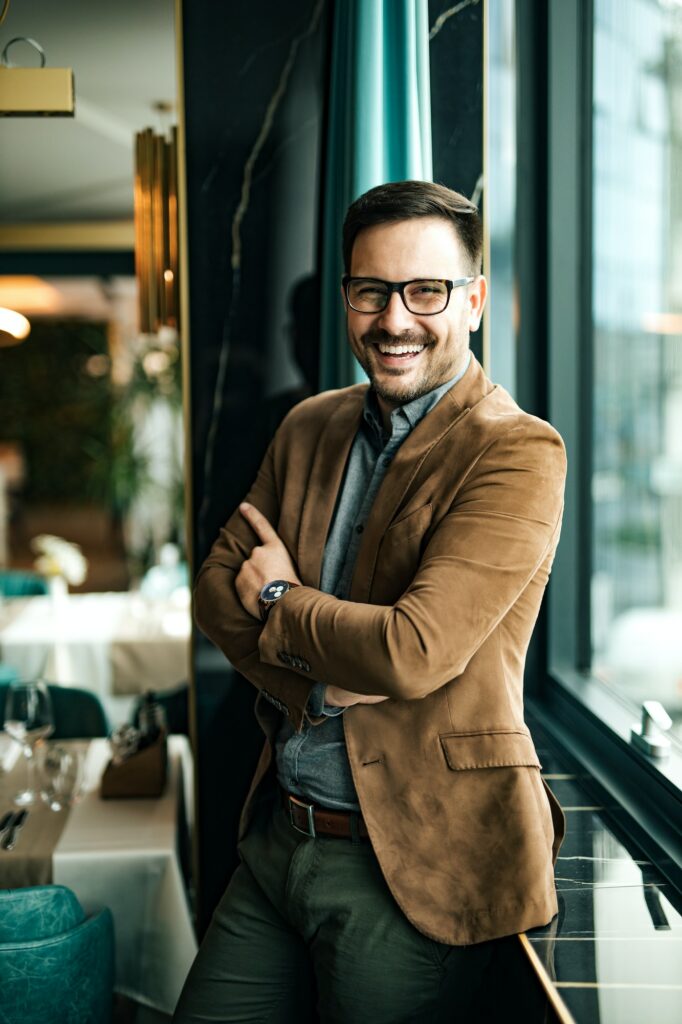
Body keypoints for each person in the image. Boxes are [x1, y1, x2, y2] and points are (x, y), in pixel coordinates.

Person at [173, 180, 567, 1024]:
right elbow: (212, 590)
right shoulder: (308, 425)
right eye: (371, 291)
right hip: (279, 838)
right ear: (347, 295)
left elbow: (411, 651)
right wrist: (319, 682)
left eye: (425, 291)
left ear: (474, 301)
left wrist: (278, 595)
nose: (394, 320)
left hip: (417, 864)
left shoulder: (517, 451)